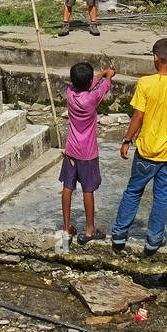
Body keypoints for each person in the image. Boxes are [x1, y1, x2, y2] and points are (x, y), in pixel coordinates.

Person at [111, 38, 167, 258]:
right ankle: (154, 239)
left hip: (145, 149)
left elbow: (138, 116)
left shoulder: (145, 83)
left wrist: (127, 140)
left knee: (133, 191)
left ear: (155, 58)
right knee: (161, 197)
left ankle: (119, 234)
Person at [61, 61, 115, 244]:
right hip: (88, 153)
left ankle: (67, 227)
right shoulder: (91, 99)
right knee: (88, 190)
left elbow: (89, 84)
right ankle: (90, 229)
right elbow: (103, 87)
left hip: (71, 150)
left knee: (67, 187)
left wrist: (100, 74)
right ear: (89, 80)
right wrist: (108, 75)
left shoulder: (69, 93)